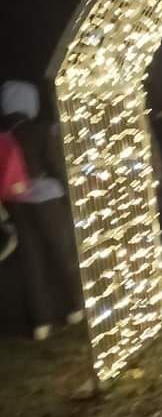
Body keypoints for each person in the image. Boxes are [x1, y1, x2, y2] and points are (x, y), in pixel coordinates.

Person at [0, 81, 84, 340]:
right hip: (47, 200)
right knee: (61, 252)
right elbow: (55, 164)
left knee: (32, 262)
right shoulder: (42, 129)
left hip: (17, 202)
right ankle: (75, 307)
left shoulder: (5, 135)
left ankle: (41, 322)